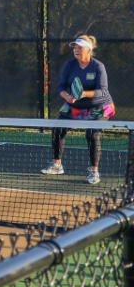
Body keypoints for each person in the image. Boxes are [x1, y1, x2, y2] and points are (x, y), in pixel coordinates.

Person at [41, 35, 114, 185]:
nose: (76, 50)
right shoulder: (69, 65)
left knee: (92, 133)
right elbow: (61, 87)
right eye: (75, 47)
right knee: (58, 128)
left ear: (89, 50)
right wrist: (66, 96)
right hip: (77, 106)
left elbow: (103, 91)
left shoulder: (98, 66)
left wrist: (83, 94)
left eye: (79, 47)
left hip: (102, 106)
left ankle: (94, 172)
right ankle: (57, 165)